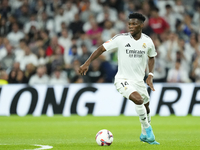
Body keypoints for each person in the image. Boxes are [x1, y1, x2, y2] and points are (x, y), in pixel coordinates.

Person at [78, 13, 159, 145]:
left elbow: (152, 57)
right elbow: (101, 48)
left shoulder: (148, 41)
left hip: (139, 81)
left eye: (134, 24)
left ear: (142, 25)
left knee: (147, 107)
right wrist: (87, 63)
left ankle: (144, 135)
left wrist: (150, 75)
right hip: (122, 79)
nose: (130, 26)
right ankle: (149, 131)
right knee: (138, 100)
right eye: (129, 24)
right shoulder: (120, 39)